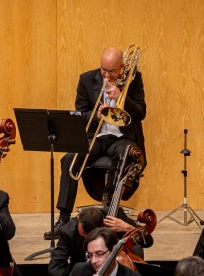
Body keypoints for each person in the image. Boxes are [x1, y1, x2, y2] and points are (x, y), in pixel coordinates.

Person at [45, 46, 146, 240]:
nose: (107, 75)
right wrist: (95, 114)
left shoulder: (134, 79)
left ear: (122, 68)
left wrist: (121, 99)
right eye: (103, 70)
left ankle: (111, 210)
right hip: (97, 136)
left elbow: (141, 112)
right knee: (69, 160)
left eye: (112, 71)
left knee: (124, 154)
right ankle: (64, 220)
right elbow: (80, 114)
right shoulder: (86, 79)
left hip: (121, 137)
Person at [48, 207, 142, 276]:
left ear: (101, 228)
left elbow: (148, 242)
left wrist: (129, 228)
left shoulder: (116, 216)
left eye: (99, 253)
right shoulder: (69, 231)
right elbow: (56, 266)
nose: (93, 260)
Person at [69, 227, 141, 276]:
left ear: (113, 250)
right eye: (90, 255)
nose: (93, 261)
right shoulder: (79, 270)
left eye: (99, 254)